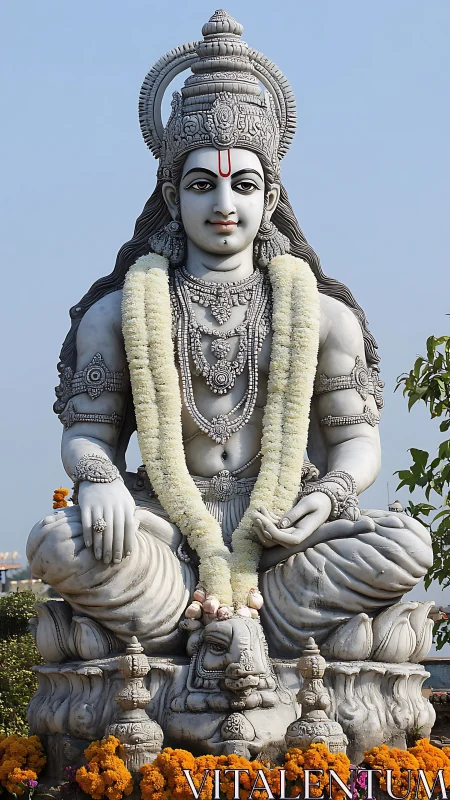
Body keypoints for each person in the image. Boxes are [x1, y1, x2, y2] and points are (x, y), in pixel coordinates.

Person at [28, 10, 432, 660]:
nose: (223, 205)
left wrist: (327, 497)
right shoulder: (119, 312)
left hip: (282, 533)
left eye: (243, 185)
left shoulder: (322, 315)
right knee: (58, 542)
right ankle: (253, 627)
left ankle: (193, 628)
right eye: (201, 184)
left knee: (407, 543)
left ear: (270, 198)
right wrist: (100, 479)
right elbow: (88, 433)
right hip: (162, 522)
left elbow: (355, 438)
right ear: (172, 191)